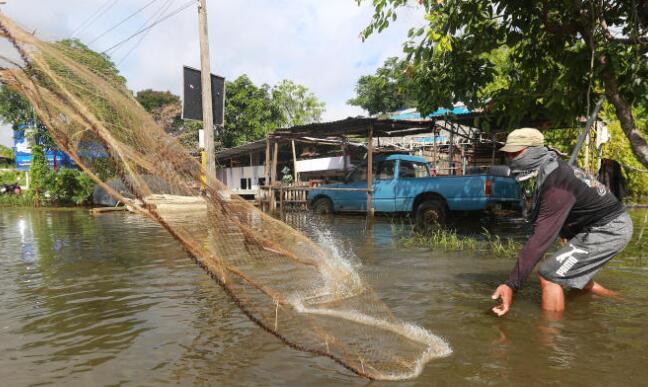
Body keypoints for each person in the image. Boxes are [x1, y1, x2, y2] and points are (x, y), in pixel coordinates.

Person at [491, 128, 633, 316]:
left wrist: (511, 284)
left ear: (535, 150)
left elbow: (541, 238)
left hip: (610, 229)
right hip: (595, 226)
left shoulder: (557, 182)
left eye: (516, 152)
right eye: (508, 153)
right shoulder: (551, 168)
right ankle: (628, 303)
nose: (511, 157)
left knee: (550, 275)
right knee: (569, 273)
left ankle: (551, 339)